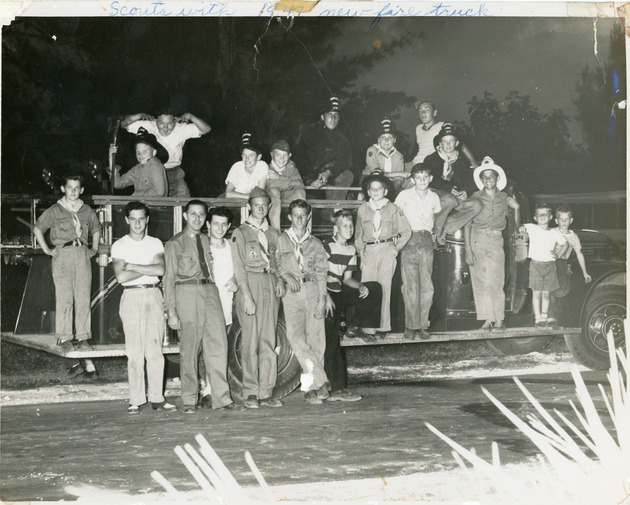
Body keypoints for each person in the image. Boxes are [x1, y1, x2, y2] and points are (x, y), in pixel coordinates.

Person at [164, 200, 244, 413]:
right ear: (184, 216)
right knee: (190, 350)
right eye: (193, 214)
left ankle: (223, 399)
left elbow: (229, 258)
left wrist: (236, 277)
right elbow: (169, 278)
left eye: (201, 215)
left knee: (219, 345)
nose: (197, 218)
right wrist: (171, 311)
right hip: (187, 293)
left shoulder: (208, 240)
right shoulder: (175, 243)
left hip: (211, 291)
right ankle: (190, 400)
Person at [111, 201, 176, 414]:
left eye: (141, 218)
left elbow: (160, 270)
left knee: (155, 350)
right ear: (127, 220)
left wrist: (132, 265)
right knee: (134, 352)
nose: (137, 223)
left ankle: (157, 398)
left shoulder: (155, 242)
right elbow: (121, 277)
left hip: (153, 294)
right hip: (131, 296)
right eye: (133, 219)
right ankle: (136, 399)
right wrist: (146, 268)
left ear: (147, 219)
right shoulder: (119, 245)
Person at [33, 174, 101, 353]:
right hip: (63, 255)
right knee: (64, 297)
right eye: (69, 187)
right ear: (63, 189)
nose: (73, 191)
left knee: (83, 296)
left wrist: (93, 249)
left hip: (82, 255)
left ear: (82, 190)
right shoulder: (55, 210)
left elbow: (96, 229)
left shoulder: (86, 210)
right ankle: (64, 337)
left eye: (76, 188)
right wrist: (47, 249)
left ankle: (83, 337)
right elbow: (38, 229)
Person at [231, 187, 285, 408]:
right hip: (250, 284)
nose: (260, 208)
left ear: (269, 206)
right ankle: (251, 391)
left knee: (268, 340)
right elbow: (239, 268)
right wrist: (246, 296)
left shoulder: (274, 234)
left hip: (270, 284)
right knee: (250, 341)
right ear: (249, 206)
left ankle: (266, 390)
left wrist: (280, 280)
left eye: (264, 205)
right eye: (256, 205)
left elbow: (279, 262)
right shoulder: (241, 233)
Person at [323, 210, 382, 401]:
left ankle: (355, 327)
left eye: (351, 226)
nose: (349, 229)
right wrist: (325, 296)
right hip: (325, 293)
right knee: (332, 340)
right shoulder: (326, 246)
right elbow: (318, 276)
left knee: (374, 289)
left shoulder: (350, 250)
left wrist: (361, 286)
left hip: (340, 291)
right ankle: (337, 389)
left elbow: (347, 279)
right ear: (336, 228)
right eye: (344, 226)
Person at [276, 199, 330, 405]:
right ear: (289, 217)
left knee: (316, 342)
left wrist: (322, 299)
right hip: (292, 292)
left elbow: (322, 273)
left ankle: (310, 388)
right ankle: (322, 381)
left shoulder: (315, 243)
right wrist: (286, 276)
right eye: (295, 215)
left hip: (312, 289)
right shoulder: (281, 240)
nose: (299, 219)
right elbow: (274, 263)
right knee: (296, 339)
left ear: (308, 217)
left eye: (303, 215)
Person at [464, 157, 520, 331]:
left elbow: (516, 224)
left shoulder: (505, 198)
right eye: (485, 177)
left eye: (491, 176)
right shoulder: (474, 198)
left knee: (496, 280)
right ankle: (487, 319)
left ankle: (499, 319)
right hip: (477, 239)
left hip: (496, 239)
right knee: (481, 281)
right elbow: (467, 223)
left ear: (497, 179)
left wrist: (516, 208)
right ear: (481, 180)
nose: (488, 180)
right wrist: (467, 249)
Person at [355, 170, 411, 337]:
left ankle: (382, 328)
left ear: (385, 191)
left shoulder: (393, 209)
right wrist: (360, 252)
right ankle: (368, 328)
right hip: (369, 250)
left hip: (387, 249)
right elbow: (358, 235)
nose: (375, 191)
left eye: (379, 188)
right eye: (372, 189)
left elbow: (406, 231)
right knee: (369, 288)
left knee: (385, 288)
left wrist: (396, 249)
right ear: (368, 191)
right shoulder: (363, 209)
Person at [197, 206, 239, 408]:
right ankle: (208, 390)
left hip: (225, 304)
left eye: (224, 224)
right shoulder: (201, 246)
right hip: (204, 304)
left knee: (220, 350)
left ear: (229, 226)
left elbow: (240, 271)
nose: (220, 228)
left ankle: (215, 390)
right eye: (215, 223)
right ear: (208, 224)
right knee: (206, 349)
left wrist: (237, 280)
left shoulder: (232, 248)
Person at [394, 164, 441, 340]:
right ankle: (410, 326)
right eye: (418, 177)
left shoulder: (434, 197)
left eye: (425, 177)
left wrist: (433, 236)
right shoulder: (404, 195)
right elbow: (396, 216)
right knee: (410, 285)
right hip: (409, 239)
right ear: (412, 179)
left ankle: (423, 326)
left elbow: (435, 218)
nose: (422, 181)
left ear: (431, 178)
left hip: (426, 240)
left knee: (426, 286)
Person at [122, 108, 211, 197]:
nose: (165, 127)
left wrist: (190, 116)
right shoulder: (149, 125)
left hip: (174, 174)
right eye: (161, 123)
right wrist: (140, 115)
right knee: (153, 206)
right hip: (151, 172)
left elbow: (206, 129)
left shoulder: (181, 128)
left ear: (175, 122)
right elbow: (123, 124)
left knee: (184, 203)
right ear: (156, 122)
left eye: (170, 123)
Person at [423, 123, 482, 244]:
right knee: (450, 200)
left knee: (477, 205)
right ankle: (434, 233)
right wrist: (449, 188)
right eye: (445, 141)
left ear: (456, 143)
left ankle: (447, 228)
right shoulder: (431, 159)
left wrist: (466, 191)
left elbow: (470, 180)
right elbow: (431, 180)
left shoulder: (462, 160)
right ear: (439, 144)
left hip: (455, 196)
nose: (448, 144)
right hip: (436, 195)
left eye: (451, 141)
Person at [293, 96, 354, 200]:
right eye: (329, 115)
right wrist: (309, 179)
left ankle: (334, 208)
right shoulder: (309, 131)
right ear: (322, 117)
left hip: (327, 178)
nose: (333, 119)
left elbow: (346, 161)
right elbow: (298, 158)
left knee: (348, 175)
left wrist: (328, 172)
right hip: (306, 177)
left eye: (336, 115)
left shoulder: (341, 139)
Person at [518, 204, 568, 327]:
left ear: (550, 216)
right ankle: (538, 319)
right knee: (536, 294)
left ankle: (544, 317)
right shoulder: (532, 227)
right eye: (539, 214)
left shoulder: (554, 232)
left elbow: (565, 244)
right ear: (535, 217)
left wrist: (558, 255)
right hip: (535, 266)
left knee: (546, 294)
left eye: (545, 214)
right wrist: (521, 229)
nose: (542, 216)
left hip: (550, 266)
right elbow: (521, 227)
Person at [548, 205, 592, 326]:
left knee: (561, 291)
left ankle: (557, 317)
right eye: (561, 219)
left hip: (562, 264)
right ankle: (549, 316)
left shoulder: (574, 237)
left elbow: (579, 254)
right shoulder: (552, 232)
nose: (563, 222)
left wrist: (585, 272)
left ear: (571, 220)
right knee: (548, 289)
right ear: (556, 221)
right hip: (549, 262)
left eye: (566, 219)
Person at [408, 101, 477, 168]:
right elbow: (418, 148)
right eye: (420, 111)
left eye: (427, 110)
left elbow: (461, 145)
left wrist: (473, 162)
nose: (423, 113)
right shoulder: (418, 128)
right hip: (415, 162)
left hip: (429, 165)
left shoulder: (442, 126)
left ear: (434, 113)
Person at [108, 128, 168, 197]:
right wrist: (111, 158)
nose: (140, 155)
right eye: (138, 152)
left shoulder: (155, 165)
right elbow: (118, 184)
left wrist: (135, 196)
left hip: (155, 206)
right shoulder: (137, 168)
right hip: (142, 204)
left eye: (144, 152)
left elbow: (159, 192)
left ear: (154, 152)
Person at [265, 140, 306, 231]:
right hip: (273, 199)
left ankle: (299, 230)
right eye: (278, 155)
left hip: (287, 197)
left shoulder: (291, 166)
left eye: (285, 155)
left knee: (300, 192)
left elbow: (300, 184)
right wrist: (290, 182)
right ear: (272, 154)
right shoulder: (266, 168)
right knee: (274, 190)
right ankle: (276, 232)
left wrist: (279, 178)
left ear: (290, 156)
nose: (281, 159)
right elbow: (269, 184)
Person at [363, 118, 410, 194]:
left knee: (403, 195)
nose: (386, 140)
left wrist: (391, 191)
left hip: (390, 186)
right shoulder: (372, 151)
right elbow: (376, 173)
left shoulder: (399, 156)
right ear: (378, 140)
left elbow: (399, 179)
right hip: (373, 183)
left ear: (394, 140)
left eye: (390, 138)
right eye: (383, 137)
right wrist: (400, 173)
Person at [224, 133, 269, 199]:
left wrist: (238, 195)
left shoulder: (262, 165)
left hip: (251, 202)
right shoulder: (237, 166)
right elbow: (228, 194)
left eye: (251, 155)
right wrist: (250, 196)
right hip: (235, 202)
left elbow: (260, 193)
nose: (247, 159)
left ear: (258, 157)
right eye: (244, 155)